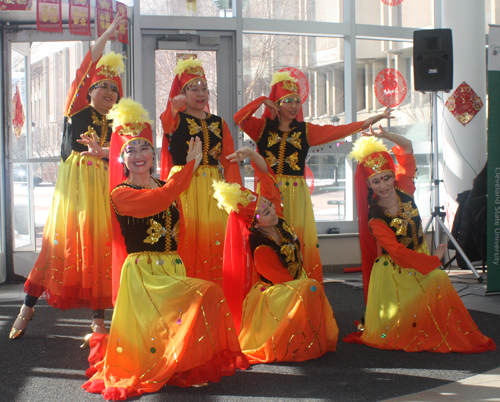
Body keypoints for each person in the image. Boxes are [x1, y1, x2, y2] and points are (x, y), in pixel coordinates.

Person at [81, 99, 248, 400]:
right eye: (130, 150)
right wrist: (192, 165)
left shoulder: (163, 184)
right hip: (144, 275)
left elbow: (178, 225)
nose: (138, 155)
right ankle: (171, 365)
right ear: (122, 160)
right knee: (205, 293)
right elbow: (161, 199)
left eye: (144, 148)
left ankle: (182, 364)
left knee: (197, 304)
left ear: (153, 154)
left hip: (171, 267)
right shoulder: (121, 194)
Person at [9, 14, 126, 340]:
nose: (108, 92)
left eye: (113, 89)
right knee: (56, 246)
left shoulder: (118, 122)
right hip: (73, 190)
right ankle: (28, 306)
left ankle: (98, 320)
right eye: (102, 86)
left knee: (103, 249)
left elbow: (127, 156)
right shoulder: (75, 107)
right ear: (88, 90)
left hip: (105, 188)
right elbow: (88, 63)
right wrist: (107, 35)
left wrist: (106, 152)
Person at [344, 126, 496, 353]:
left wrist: (385, 135)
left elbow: (406, 147)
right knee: (437, 279)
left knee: (436, 285)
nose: (383, 185)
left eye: (386, 177)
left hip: (420, 257)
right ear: (368, 185)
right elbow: (397, 252)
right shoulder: (375, 219)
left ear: (393, 175)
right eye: (376, 181)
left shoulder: (404, 186)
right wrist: (433, 260)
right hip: (395, 272)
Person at [234, 70, 393, 283]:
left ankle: (304, 289)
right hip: (268, 193)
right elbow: (239, 118)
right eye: (287, 101)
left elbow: (341, 131)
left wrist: (374, 119)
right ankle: (272, 287)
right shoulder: (261, 129)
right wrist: (264, 100)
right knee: (269, 237)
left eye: (297, 102)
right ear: (277, 104)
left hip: (296, 194)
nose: (293, 106)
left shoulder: (305, 131)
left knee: (297, 238)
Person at [212, 146, 339, 364]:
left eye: (271, 206)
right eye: (267, 212)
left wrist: (252, 155)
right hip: (276, 294)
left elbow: (267, 177)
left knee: (311, 286)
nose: (273, 212)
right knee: (311, 287)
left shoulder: (277, 220)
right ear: (254, 222)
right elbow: (283, 281)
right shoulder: (261, 247)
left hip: (296, 284)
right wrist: (304, 286)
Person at [160, 57, 242, 285]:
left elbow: (229, 161)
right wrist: (172, 109)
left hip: (213, 188)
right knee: (187, 234)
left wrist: (235, 196)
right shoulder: (176, 119)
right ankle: (185, 288)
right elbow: (166, 127)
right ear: (182, 93)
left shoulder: (219, 123)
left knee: (215, 236)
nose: (200, 93)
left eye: (204, 88)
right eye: (193, 88)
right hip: (184, 185)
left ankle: (215, 287)